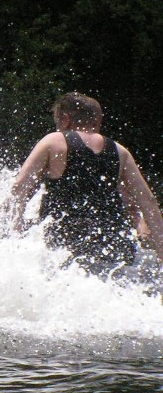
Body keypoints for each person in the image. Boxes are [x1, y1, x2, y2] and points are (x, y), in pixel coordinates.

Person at [10, 92, 163, 274]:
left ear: (65, 119)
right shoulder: (121, 152)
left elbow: (19, 187)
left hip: (64, 246)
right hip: (113, 246)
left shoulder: (54, 141)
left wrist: (13, 233)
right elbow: (149, 202)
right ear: (96, 121)